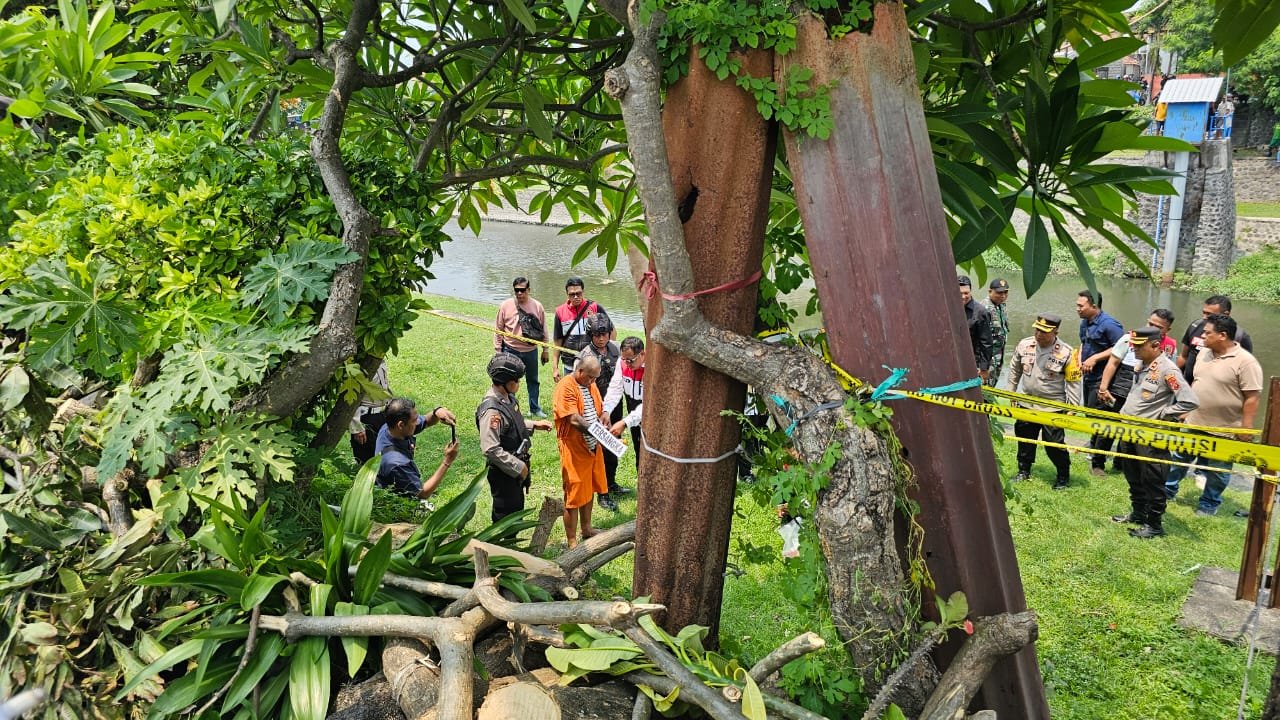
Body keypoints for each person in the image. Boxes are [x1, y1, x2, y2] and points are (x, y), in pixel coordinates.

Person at [1165, 314, 1264, 516]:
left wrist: (1246, 428)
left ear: (1222, 335)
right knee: (1179, 458)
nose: (1202, 335)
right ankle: (1168, 490)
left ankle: (1209, 504)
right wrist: (1187, 410)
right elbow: (1197, 383)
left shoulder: (1246, 362)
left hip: (1225, 428)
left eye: (1207, 332)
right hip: (1195, 422)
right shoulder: (1203, 353)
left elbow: (1252, 397)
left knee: (1218, 470)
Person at [1107, 328, 1199, 539]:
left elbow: (1189, 401)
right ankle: (1138, 513)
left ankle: (1154, 524)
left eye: (1139, 346)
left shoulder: (1168, 370)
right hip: (1130, 430)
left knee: (1153, 480)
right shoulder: (1142, 365)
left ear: (1156, 345)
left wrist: (1164, 414)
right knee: (1133, 475)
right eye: (1134, 345)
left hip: (1151, 436)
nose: (1134, 349)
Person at [1093, 309, 1176, 474]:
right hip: (1120, 391)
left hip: (1145, 397)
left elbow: (1170, 373)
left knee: (1132, 432)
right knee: (1109, 429)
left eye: (1158, 326)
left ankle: (1121, 463)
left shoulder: (1170, 346)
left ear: (1167, 330)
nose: (1152, 327)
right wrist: (1103, 388)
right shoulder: (1129, 338)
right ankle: (1097, 464)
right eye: (1150, 323)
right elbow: (1113, 362)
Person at [1007, 314, 1082, 490]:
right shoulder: (1025, 345)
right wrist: (1011, 393)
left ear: (1056, 331)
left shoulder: (1067, 352)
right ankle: (1023, 471)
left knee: (1054, 446)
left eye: (1044, 331)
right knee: (1025, 440)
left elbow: (1073, 383)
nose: (1039, 334)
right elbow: (1014, 370)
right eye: (1037, 329)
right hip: (1027, 403)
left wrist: (1072, 407)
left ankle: (1063, 476)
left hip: (1052, 407)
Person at [477, 354, 553, 522]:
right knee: (506, 516)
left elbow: (510, 424)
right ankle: (500, 547)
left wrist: (533, 425)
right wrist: (518, 466)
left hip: (514, 466)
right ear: (505, 381)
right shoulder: (492, 411)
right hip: (504, 471)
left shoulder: (507, 398)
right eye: (516, 380)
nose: (519, 384)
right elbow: (490, 448)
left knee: (516, 508)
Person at [552, 355, 608, 548]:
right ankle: (571, 539)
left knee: (589, 488)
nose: (593, 382)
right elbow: (574, 420)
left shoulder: (590, 384)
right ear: (580, 371)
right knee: (574, 492)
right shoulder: (566, 386)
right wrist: (597, 432)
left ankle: (587, 529)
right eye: (590, 377)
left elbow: (598, 409)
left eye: (595, 378)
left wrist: (604, 417)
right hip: (574, 447)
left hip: (592, 447)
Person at [577, 314, 630, 510]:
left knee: (613, 446)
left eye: (605, 334)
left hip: (614, 406)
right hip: (594, 410)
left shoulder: (616, 349)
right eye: (597, 335)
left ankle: (611, 482)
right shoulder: (584, 356)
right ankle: (602, 493)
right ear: (591, 335)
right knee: (598, 450)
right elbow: (578, 385)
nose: (601, 338)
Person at [375, 398, 459, 507]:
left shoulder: (388, 428)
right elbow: (422, 493)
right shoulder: (397, 463)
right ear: (401, 425)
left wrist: (437, 412)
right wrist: (447, 461)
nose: (418, 422)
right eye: (414, 420)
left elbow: (426, 421)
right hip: (396, 506)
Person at [1076, 289, 1125, 475]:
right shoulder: (1085, 322)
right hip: (1089, 376)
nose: (1077, 309)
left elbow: (1122, 346)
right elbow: (1084, 342)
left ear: (1094, 305)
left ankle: (1098, 462)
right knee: (1092, 414)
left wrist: (1095, 358)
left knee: (1104, 417)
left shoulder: (1110, 325)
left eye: (1081, 305)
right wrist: (1081, 358)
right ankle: (1095, 445)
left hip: (1103, 379)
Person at [494, 277, 549, 417]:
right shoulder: (506, 305)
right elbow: (498, 329)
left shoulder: (537, 306)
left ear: (528, 290)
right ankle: (510, 407)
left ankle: (535, 408)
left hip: (530, 351)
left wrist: (545, 350)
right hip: (510, 349)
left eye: (522, 290)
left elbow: (544, 329)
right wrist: (498, 351)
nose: (519, 293)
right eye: (517, 290)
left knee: (533, 380)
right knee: (509, 381)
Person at [1177, 295, 1253, 383]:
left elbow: (1245, 371)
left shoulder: (1240, 337)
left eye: (1209, 314)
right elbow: (1183, 356)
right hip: (1188, 388)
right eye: (1204, 312)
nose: (1204, 317)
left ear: (1226, 314)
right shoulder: (1195, 326)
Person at [551, 277, 610, 381]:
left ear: (583, 291)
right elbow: (557, 342)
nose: (575, 297)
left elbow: (611, 333)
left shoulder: (595, 308)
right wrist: (555, 368)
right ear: (567, 294)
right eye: (572, 294)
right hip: (569, 365)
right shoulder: (560, 312)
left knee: (592, 395)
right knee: (572, 395)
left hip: (592, 364)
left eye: (578, 293)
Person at [604, 336, 646, 469]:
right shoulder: (622, 363)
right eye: (624, 359)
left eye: (630, 360)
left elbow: (647, 405)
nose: (627, 364)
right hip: (632, 405)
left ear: (642, 354)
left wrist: (625, 422)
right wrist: (607, 410)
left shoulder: (652, 369)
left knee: (647, 450)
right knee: (637, 446)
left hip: (648, 409)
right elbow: (616, 388)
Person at [350, 360, 391, 464]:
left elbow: (384, 387)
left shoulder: (378, 359)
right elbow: (349, 399)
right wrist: (356, 427)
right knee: (368, 463)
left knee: (387, 458)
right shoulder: (360, 364)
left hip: (383, 414)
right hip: (366, 418)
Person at [958, 275, 993, 382]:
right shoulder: (949, 308)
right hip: (954, 358)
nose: (963, 296)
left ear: (971, 291)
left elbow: (986, 342)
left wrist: (984, 368)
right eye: (960, 293)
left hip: (973, 362)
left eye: (966, 293)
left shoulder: (980, 312)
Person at [981, 278, 1011, 386]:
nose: (1003, 296)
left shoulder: (1001, 306)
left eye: (1005, 292)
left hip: (998, 355)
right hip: (987, 358)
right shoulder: (984, 309)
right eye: (999, 293)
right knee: (984, 385)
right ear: (990, 291)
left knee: (993, 382)